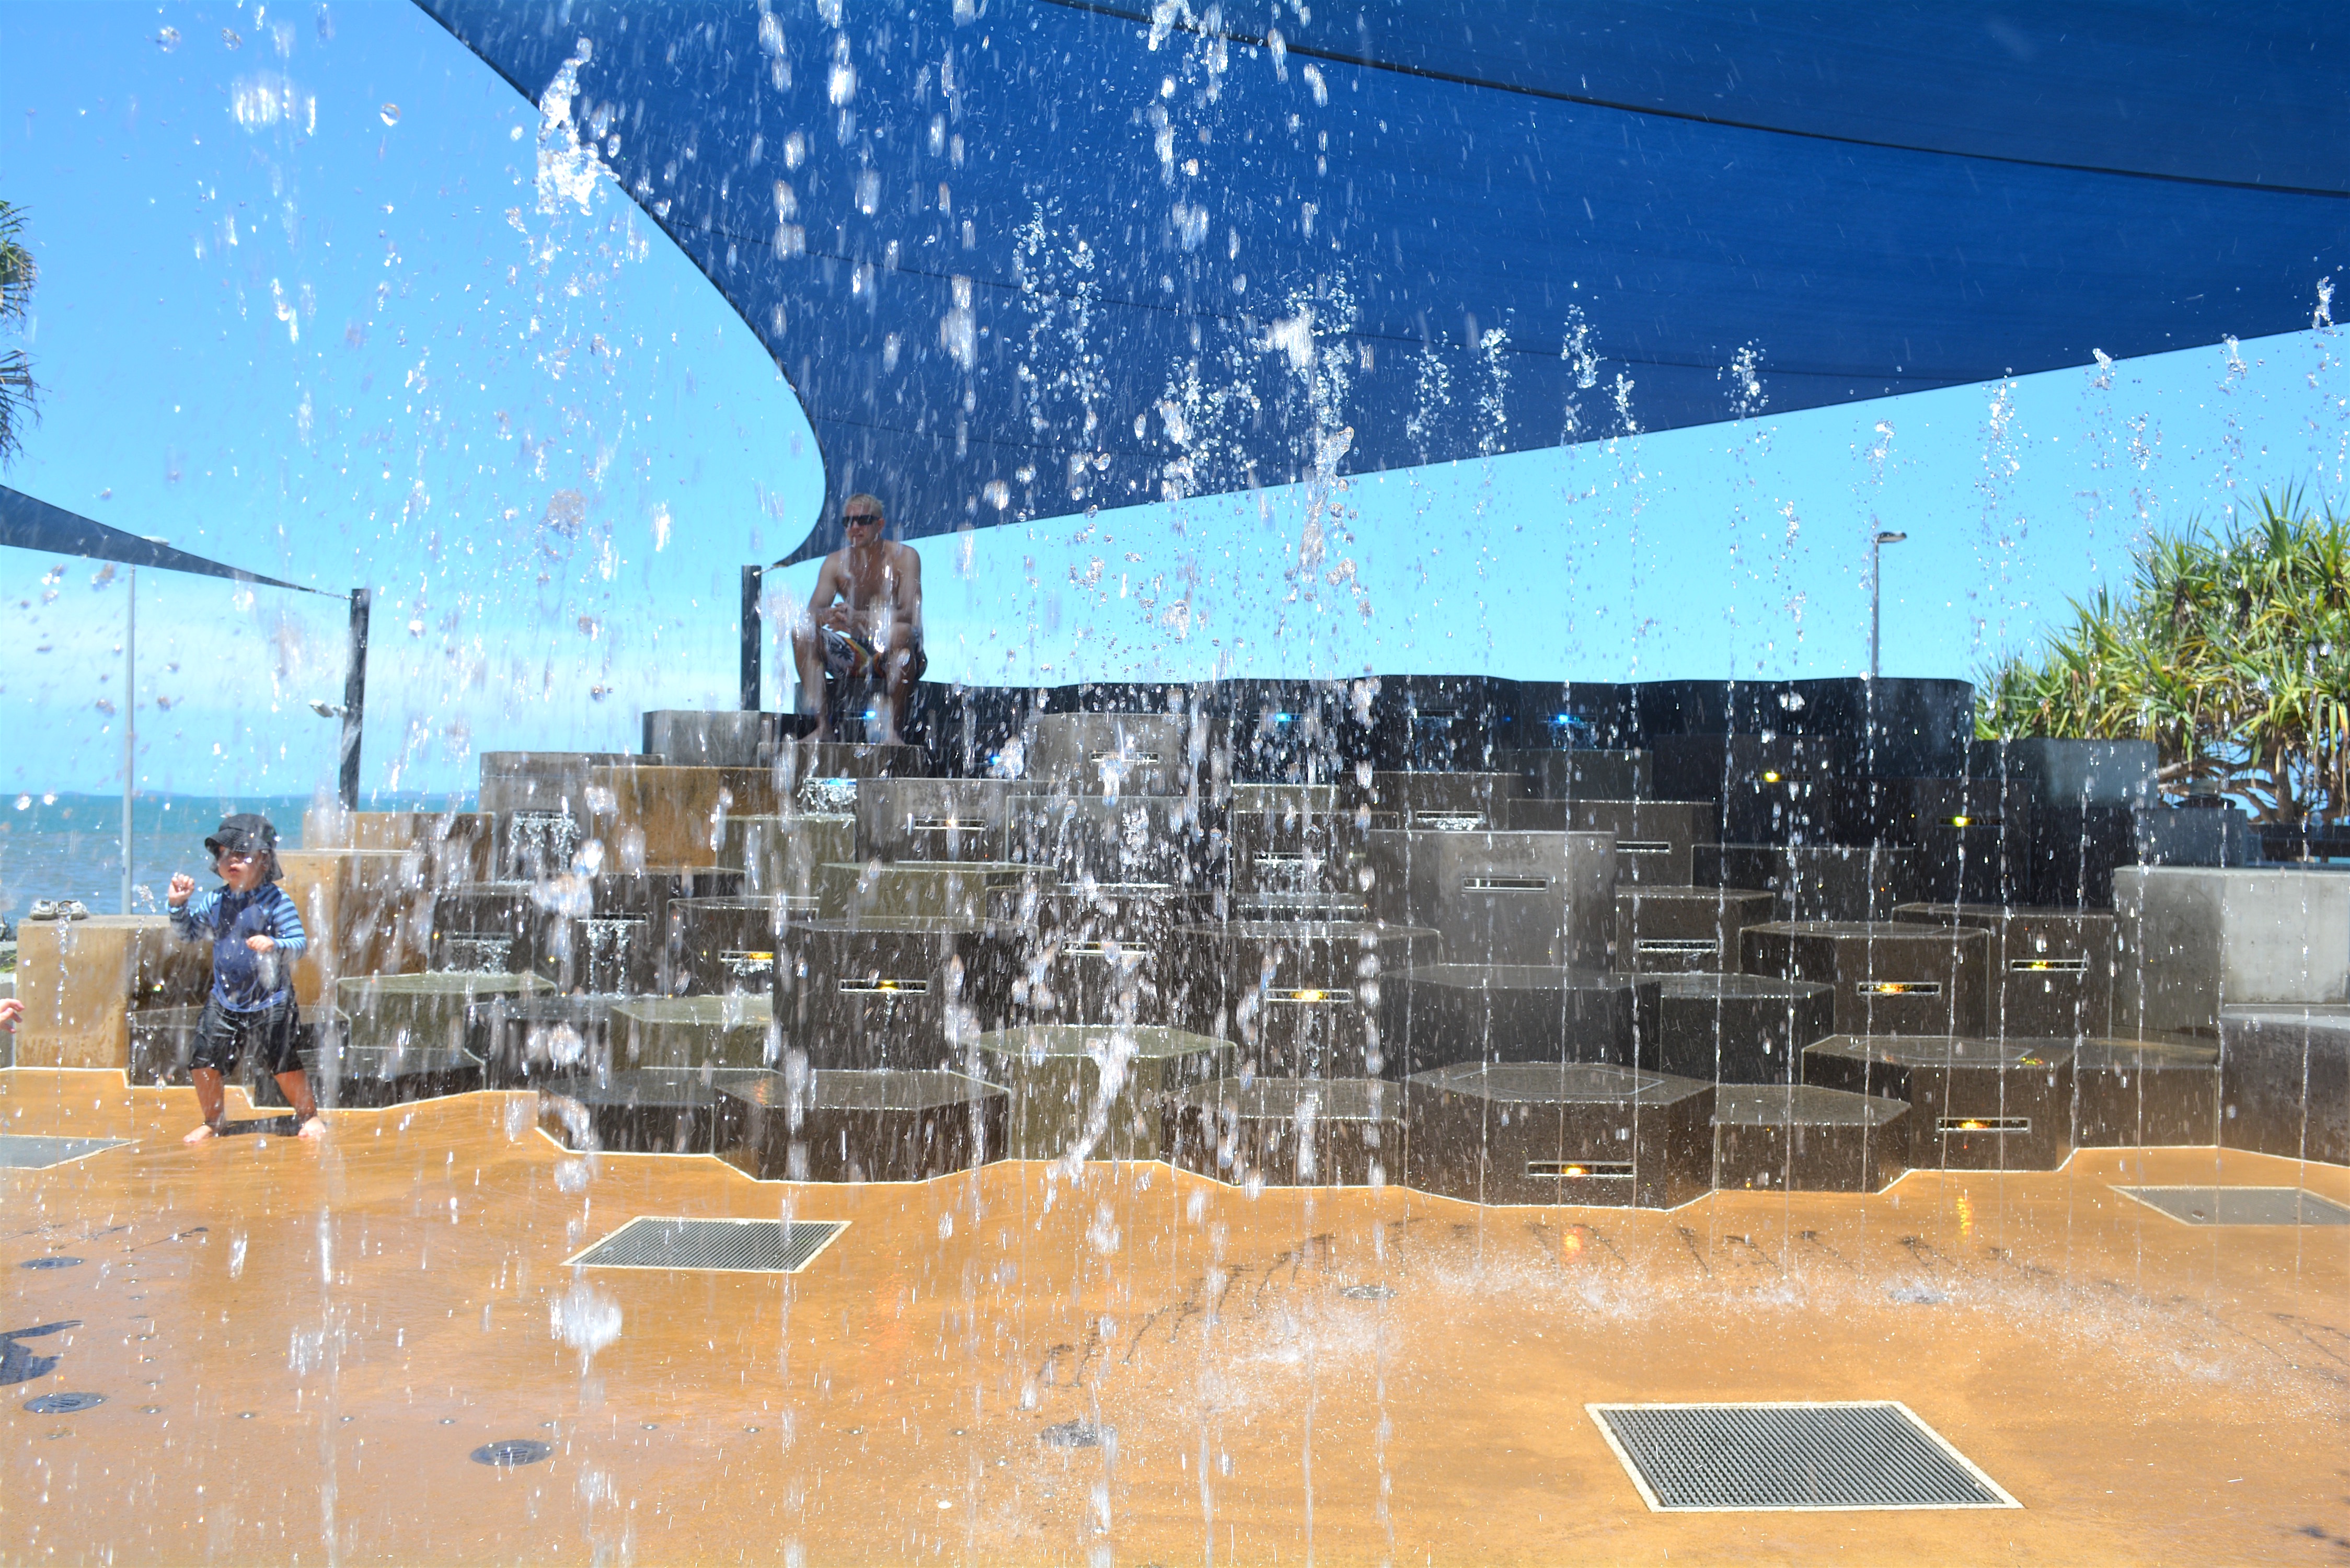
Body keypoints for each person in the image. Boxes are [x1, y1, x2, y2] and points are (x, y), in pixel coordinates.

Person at [167, 814, 322, 1144]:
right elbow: (189, 934)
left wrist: (275, 944)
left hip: (272, 999)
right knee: (203, 1061)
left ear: (264, 861)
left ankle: (308, 1115)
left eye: (242, 854)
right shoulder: (215, 900)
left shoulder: (276, 901)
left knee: (282, 1062)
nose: (231, 861)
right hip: (225, 999)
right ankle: (213, 1121)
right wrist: (178, 907)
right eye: (225, 854)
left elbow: (300, 944)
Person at [787, 492, 925, 744]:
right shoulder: (835, 563)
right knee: (802, 632)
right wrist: (834, 615)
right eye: (848, 522)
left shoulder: (905, 557)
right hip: (857, 656)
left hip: (900, 653)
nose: (854, 527)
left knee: (901, 632)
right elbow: (811, 614)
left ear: (880, 525)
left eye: (863, 520)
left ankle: (893, 733)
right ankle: (823, 728)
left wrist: (859, 618)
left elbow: (910, 614)